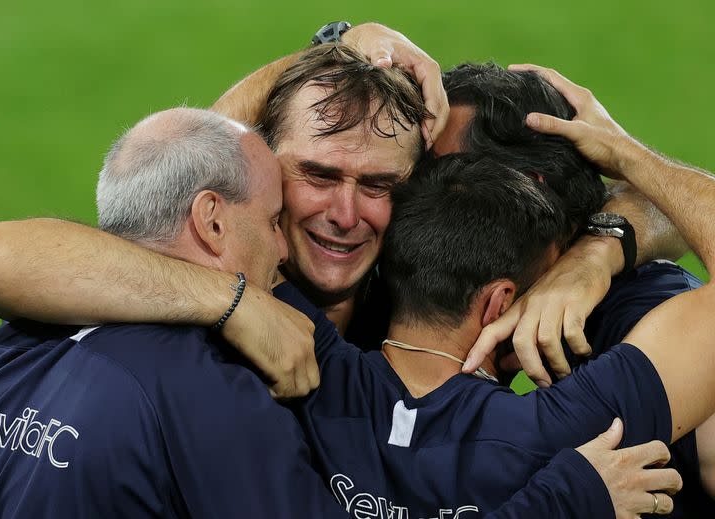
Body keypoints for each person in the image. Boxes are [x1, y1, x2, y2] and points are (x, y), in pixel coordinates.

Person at [0, 107, 677, 519]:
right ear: (209, 220)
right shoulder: (216, 388)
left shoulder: (18, 342)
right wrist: (571, 498)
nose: (286, 247)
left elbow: (171, 157)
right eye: (275, 219)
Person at [0, 24, 687, 400]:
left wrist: (598, 252)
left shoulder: (428, 257)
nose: (348, 212)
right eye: (316, 175)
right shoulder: (231, 256)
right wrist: (232, 301)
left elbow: (674, 207)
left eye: (381, 184)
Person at [281, 77, 715, 514]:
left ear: (528, 186)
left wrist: (597, 253)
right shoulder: (560, 430)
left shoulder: (304, 353)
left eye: (435, 172)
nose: (406, 191)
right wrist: (627, 156)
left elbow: (219, 204)